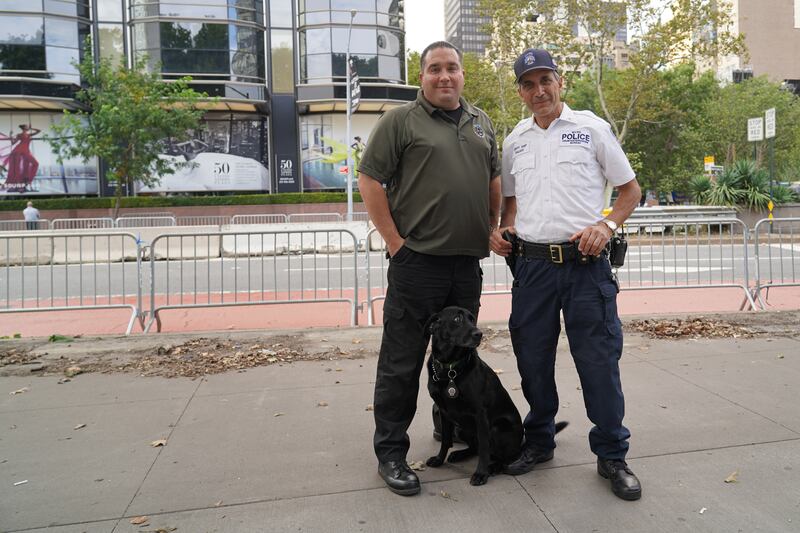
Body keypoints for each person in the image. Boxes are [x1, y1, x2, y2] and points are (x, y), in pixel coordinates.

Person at [489, 48, 643, 501]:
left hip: (584, 267)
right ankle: (539, 442)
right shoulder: (515, 140)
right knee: (532, 361)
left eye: (545, 81)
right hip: (532, 268)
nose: (539, 91)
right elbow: (511, 199)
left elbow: (630, 190)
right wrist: (503, 226)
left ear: (560, 82)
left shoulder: (591, 129)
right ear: (520, 92)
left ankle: (612, 454)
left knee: (598, 362)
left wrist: (606, 224)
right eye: (529, 84)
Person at [357, 41, 501, 496]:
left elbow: (493, 180)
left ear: (463, 75)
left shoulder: (481, 122)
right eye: (435, 69)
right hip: (417, 266)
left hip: (466, 266)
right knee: (401, 363)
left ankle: (452, 428)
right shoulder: (400, 121)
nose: (445, 76)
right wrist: (396, 245)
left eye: (452, 68)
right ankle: (392, 454)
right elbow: (370, 179)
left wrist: (492, 228)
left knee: (459, 358)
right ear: (421, 76)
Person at [0, 124, 41, 193]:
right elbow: (13, 143)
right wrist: (10, 136)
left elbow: (38, 131)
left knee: (36, 163)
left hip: (26, 151)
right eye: (27, 127)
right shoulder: (19, 135)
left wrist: (31, 128)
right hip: (18, 151)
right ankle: (19, 186)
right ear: (24, 128)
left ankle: (27, 181)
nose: (28, 128)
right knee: (17, 169)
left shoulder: (29, 135)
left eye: (28, 127)